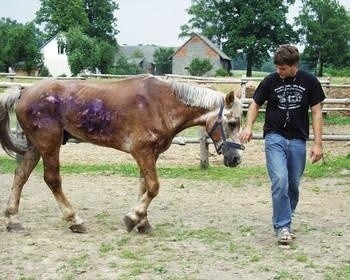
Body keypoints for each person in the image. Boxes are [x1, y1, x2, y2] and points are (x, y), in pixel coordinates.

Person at [239, 44, 325, 245]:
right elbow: (255, 104)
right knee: (280, 180)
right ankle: (282, 226)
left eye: (283, 68)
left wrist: (318, 143)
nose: (279, 71)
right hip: (274, 137)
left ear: (295, 65)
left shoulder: (310, 82)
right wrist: (249, 126)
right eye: (277, 67)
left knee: (293, 185)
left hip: (297, 139)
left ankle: (286, 216)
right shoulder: (270, 81)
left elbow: (317, 112)